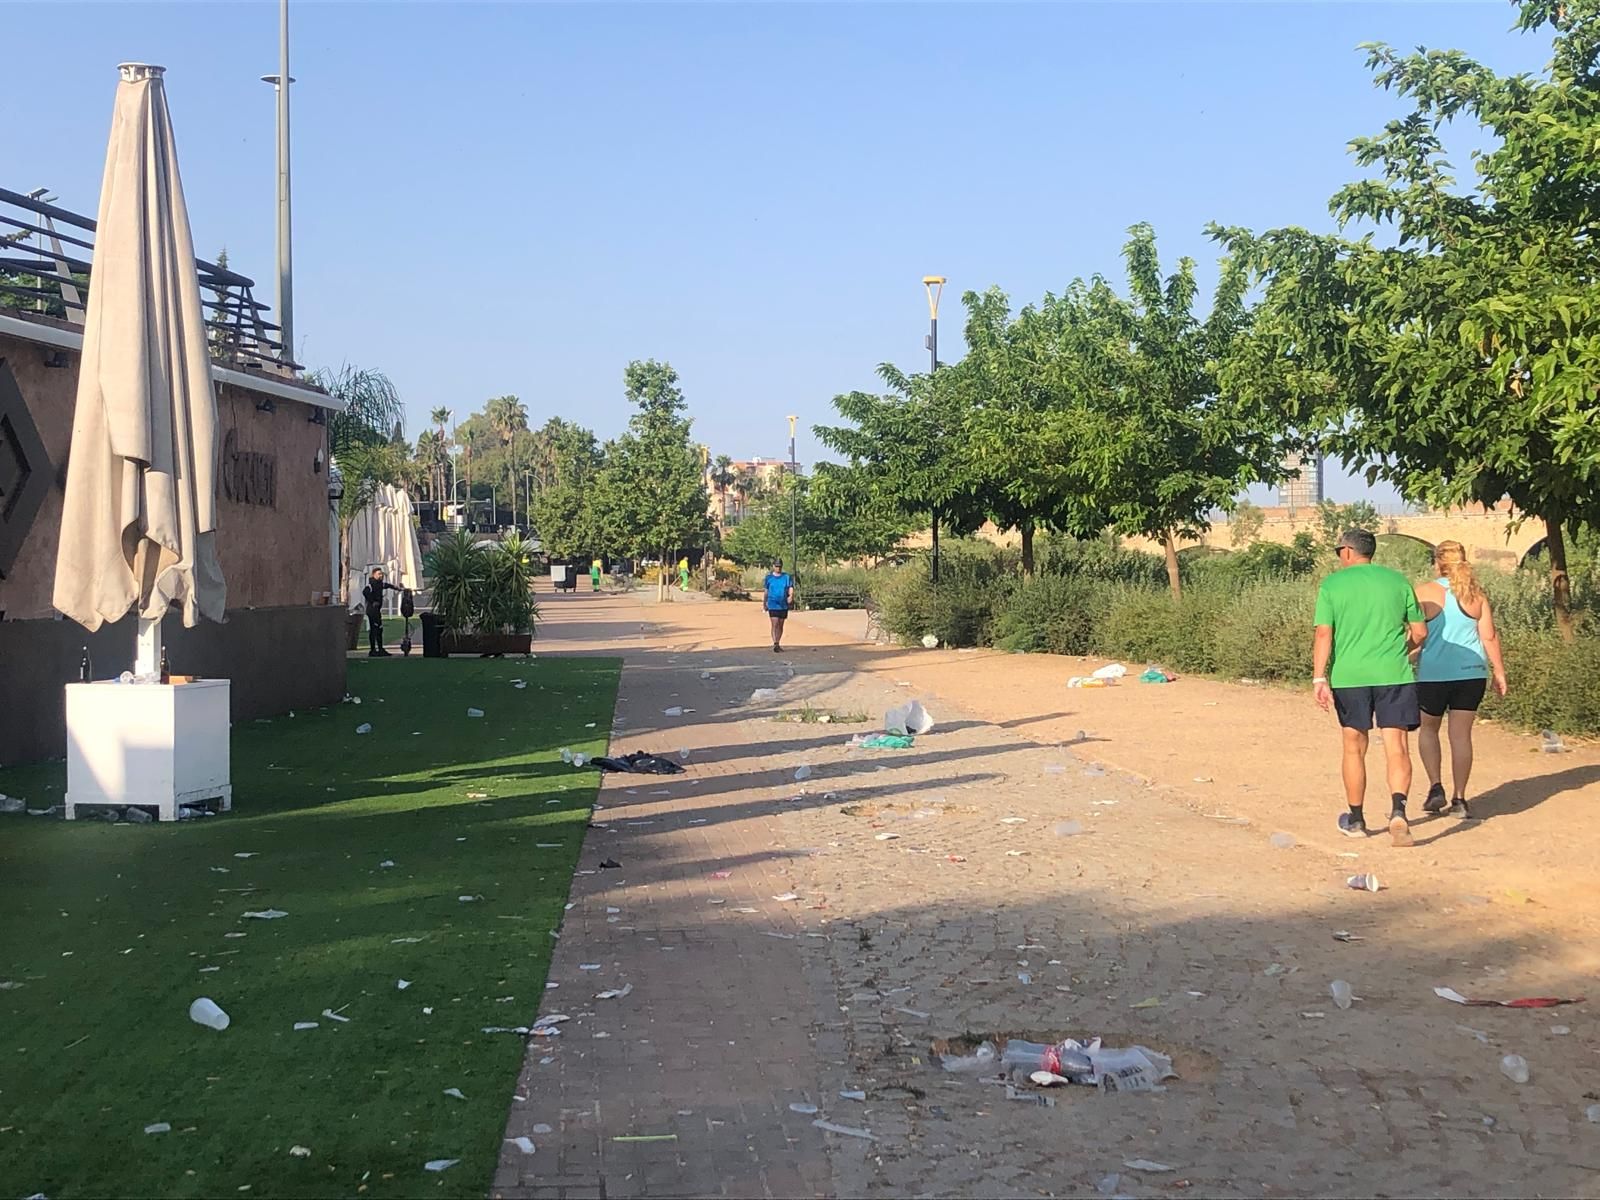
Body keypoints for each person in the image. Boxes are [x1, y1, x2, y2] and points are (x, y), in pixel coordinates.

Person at [1312, 528, 1428, 845]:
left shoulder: (1332, 585)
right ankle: (1399, 811)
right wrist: (1400, 651)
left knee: (1354, 747)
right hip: (1394, 674)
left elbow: (1324, 634)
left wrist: (1319, 677)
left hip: (1350, 677)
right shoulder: (1398, 581)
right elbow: (1419, 632)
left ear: (1347, 552)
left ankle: (1357, 819)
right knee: (1397, 747)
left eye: (1339, 553)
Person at [1413, 541, 1508, 819]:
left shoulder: (1424, 593)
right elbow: (1488, 636)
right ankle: (1460, 799)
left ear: (1437, 563)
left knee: (1428, 730)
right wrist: (1499, 671)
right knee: (1461, 735)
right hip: (1471, 673)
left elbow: (1416, 633)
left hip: (1434, 674)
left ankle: (1435, 787)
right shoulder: (1476, 595)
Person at [362, 567, 401, 657]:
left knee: (379, 629)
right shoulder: (371, 585)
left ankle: (380, 649)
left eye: (381, 574)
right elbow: (365, 592)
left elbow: (386, 585)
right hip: (372, 611)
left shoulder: (380, 584)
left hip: (376, 610)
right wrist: (373, 601)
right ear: (374, 575)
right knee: (375, 629)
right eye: (379, 574)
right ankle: (373, 650)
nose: (381, 576)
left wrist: (396, 588)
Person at [763, 558, 794, 653]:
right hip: (773, 603)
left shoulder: (786, 577)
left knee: (780, 624)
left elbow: (790, 587)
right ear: (773, 566)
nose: (778, 568)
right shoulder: (769, 578)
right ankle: (775, 643)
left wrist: (791, 596)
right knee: (775, 623)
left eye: (779, 566)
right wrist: (765, 603)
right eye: (776, 566)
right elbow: (766, 591)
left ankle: (778, 641)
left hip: (783, 604)